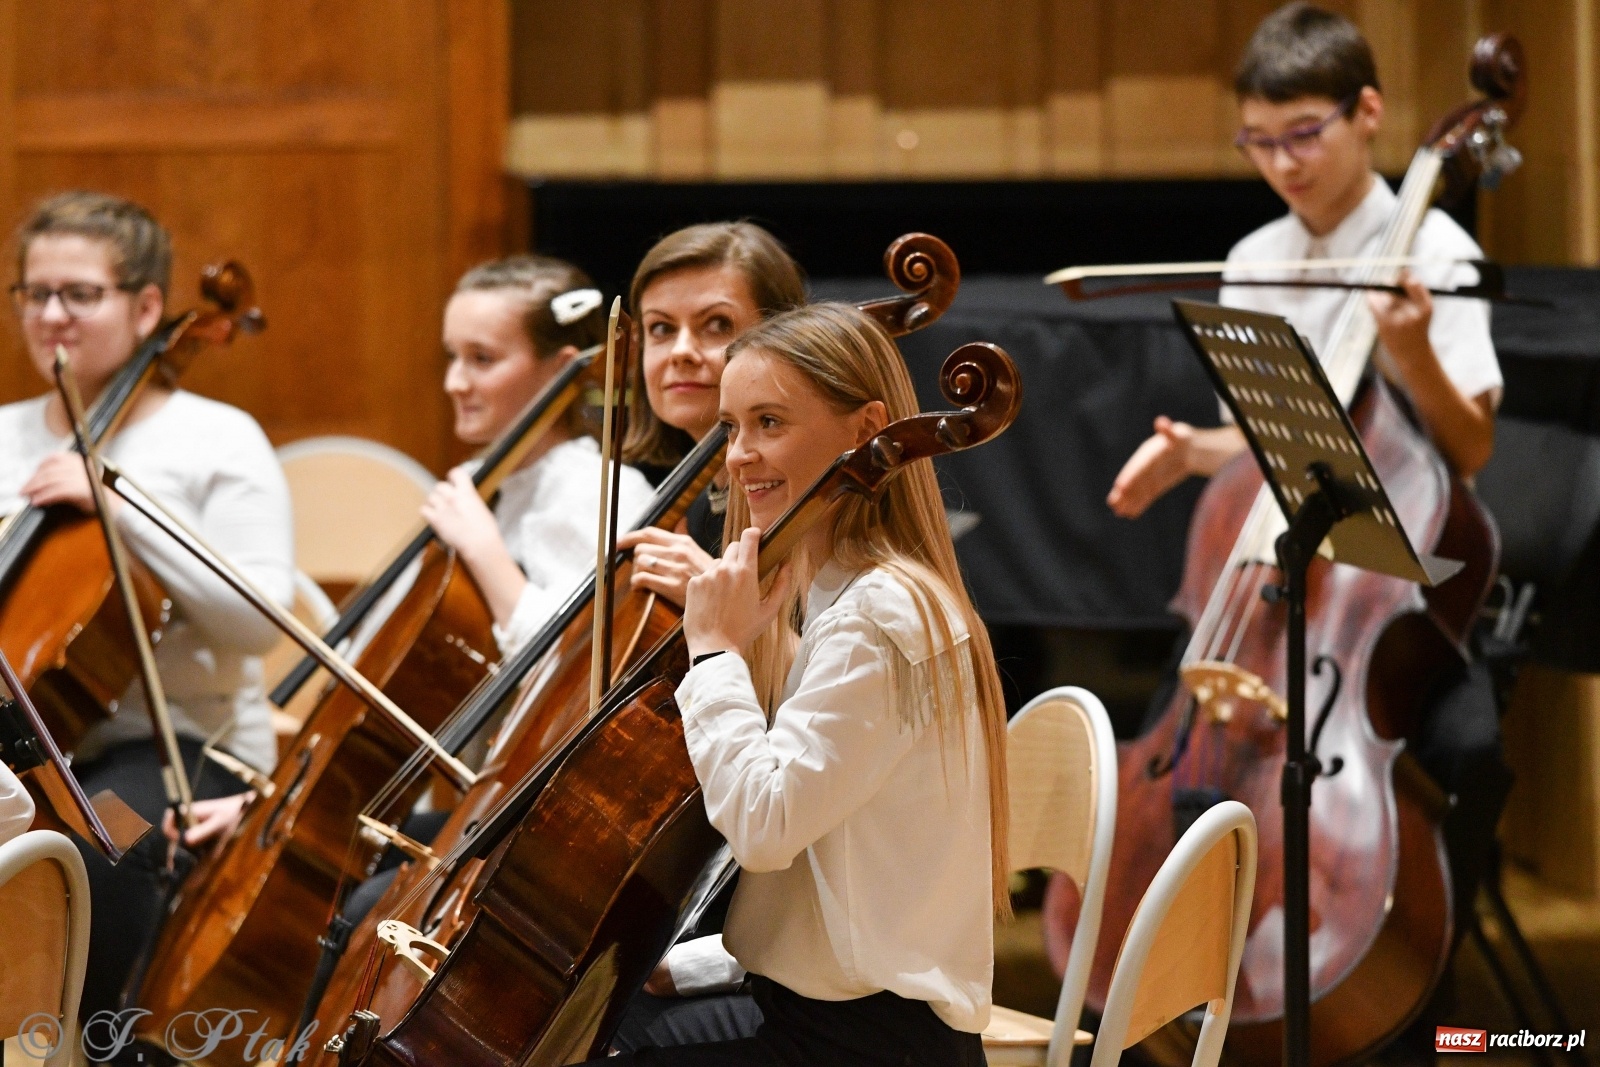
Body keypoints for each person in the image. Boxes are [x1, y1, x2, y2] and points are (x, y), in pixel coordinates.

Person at [1105, 2, 1509, 1047]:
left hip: (1384, 590)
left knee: (1465, 747)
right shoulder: (1256, 253)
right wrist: (1193, 453)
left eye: (1303, 135)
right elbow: (1277, 442)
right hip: (1277, 591)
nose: (1281, 163)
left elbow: (1469, 448)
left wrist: (1412, 350)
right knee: (1162, 742)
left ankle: (1424, 992)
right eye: (1258, 141)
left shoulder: (1439, 248)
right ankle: (1198, 991)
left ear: (1365, 112)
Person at [587, 302, 1008, 1067]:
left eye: (770, 422)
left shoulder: (878, 616)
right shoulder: (849, 596)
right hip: (836, 1022)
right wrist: (696, 962)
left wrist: (713, 651)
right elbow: (849, 893)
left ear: (866, 428)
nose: (739, 455)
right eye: (731, 428)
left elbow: (766, 825)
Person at [170, 255, 655, 851]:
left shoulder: (597, 491)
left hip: (549, 820)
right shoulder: (475, 485)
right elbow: (380, 672)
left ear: (560, 370)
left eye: (482, 359)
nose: (455, 381)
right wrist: (273, 799)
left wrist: (483, 549)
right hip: (483, 806)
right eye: (453, 357)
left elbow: (574, 678)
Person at [0, 190, 295, 1023]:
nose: (52, 315)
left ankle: (87, 1044)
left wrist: (121, 511)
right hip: (29, 748)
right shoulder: (4, 434)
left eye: (79, 294)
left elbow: (259, 620)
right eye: (35, 293)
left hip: (176, 754)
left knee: (103, 850)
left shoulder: (217, 439)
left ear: (148, 306)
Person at [618, 222, 807, 605]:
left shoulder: (802, 498)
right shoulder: (697, 510)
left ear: (780, 335)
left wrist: (717, 599)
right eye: (661, 328)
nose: (681, 351)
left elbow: (836, 663)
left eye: (717, 324)